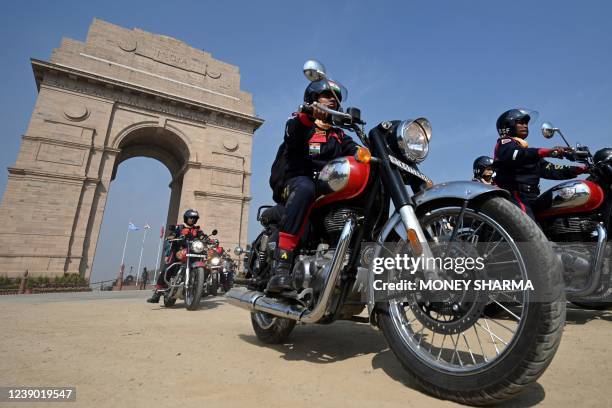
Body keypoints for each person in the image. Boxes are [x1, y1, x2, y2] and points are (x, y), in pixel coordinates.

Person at [266, 79, 359, 294]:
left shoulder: (338, 135)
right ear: (313, 99)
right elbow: (292, 134)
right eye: (325, 95)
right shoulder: (301, 122)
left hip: (324, 189)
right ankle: (282, 265)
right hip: (295, 182)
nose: (331, 100)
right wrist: (308, 116)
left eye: (335, 98)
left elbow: (356, 152)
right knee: (307, 187)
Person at [492, 109, 587, 219]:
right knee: (530, 233)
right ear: (508, 125)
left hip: (531, 197)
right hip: (514, 196)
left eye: (526, 123)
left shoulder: (527, 152)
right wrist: (546, 152)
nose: (525, 126)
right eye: (521, 122)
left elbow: (548, 169)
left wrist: (580, 169)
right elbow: (517, 155)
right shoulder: (505, 144)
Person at [146, 209, 206, 303]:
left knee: (205, 265)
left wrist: (208, 240)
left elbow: (202, 236)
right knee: (168, 268)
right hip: (179, 251)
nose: (192, 220)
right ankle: (157, 293)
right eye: (190, 218)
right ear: (186, 218)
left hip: (193, 252)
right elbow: (172, 234)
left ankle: (199, 286)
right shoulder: (179, 227)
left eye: (194, 218)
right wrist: (172, 237)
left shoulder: (197, 229)